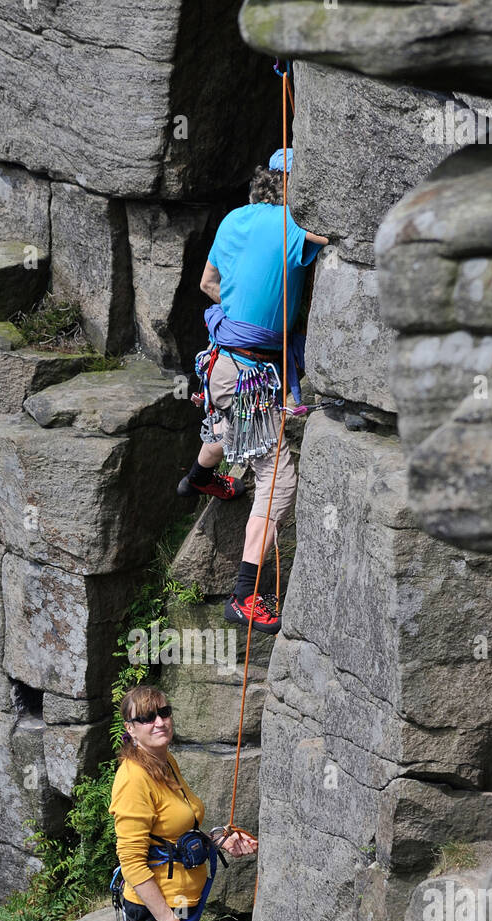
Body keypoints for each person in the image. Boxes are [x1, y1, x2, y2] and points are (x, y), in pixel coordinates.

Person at [178, 148, 330, 635]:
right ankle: (243, 596)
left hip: (224, 359)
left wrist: (245, 316)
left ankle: (198, 478)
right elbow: (336, 239)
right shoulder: (290, 224)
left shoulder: (232, 220)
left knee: (231, 424)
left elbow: (207, 283)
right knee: (278, 482)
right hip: (252, 372)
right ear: (292, 188)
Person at [109, 685, 257, 921]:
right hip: (161, 910)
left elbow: (177, 832)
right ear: (130, 728)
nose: (159, 722)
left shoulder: (162, 763)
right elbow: (131, 861)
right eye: (146, 717)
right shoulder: (133, 779)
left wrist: (218, 840)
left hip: (179, 906)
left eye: (163, 712)